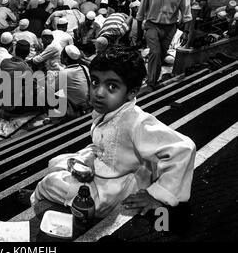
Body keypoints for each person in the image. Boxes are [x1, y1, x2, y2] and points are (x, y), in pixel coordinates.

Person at [27, 48, 196, 218]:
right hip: (106, 172)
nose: (98, 93)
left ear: (132, 92)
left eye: (112, 86)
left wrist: (157, 196)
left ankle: (36, 203)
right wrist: (85, 161)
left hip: (112, 191)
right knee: (56, 162)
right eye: (95, 82)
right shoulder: (109, 111)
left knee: (49, 183)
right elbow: (106, 146)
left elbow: (183, 148)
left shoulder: (137, 121)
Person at [136, 0, 192, 94]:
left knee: (160, 56)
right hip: (152, 25)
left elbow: (187, 12)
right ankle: (151, 83)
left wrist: (186, 32)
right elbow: (140, 14)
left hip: (170, 28)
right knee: (154, 52)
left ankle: (153, 79)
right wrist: (138, 36)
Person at [47, 45, 90, 122]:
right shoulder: (84, 67)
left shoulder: (64, 73)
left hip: (77, 109)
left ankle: (55, 118)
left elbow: (52, 88)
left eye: (62, 56)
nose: (60, 57)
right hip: (88, 105)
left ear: (66, 59)